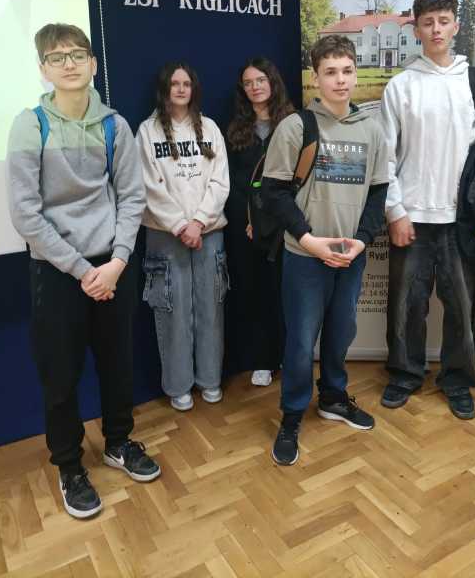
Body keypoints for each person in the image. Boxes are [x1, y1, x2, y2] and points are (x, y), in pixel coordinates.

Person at [6, 23, 160, 520]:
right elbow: (26, 214)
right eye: (57, 57)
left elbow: (132, 198)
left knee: (117, 363)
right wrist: (80, 270)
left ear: (93, 63)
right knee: (60, 374)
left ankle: (118, 442)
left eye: (77, 54)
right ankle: (70, 466)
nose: (69, 64)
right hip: (57, 272)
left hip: (112, 267)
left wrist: (116, 262)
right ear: (43, 69)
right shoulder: (30, 125)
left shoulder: (115, 125)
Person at [380, 0, 475, 420]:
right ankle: (405, 373)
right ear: (416, 29)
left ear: (456, 25)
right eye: (428, 22)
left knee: (460, 305)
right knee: (406, 303)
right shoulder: (401, 86)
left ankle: (458, 379)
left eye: (443, 21)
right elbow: (385, 156)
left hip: (465, 218)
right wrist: (395, 212)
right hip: (412, 216)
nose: (436, 29)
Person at [262, 35, 389, 466]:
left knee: (340, 333)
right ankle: (292, 414)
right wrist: (310, 240)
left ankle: (333, 397)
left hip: (350, 255)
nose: (340, 80)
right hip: (305, 256)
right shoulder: (295, 127)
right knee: (301, 342)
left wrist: (362, 240)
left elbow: (378, 193)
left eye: (347, 70)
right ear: (315, 78)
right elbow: (274, 193)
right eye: (330, 72)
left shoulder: (372, 129)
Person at [137, 62, 230, 412]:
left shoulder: (210, 128)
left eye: (186, 83)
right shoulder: (147, 132)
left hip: (209, 232)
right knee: (172, 310)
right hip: (166, 235)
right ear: (164, 88)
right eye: (174, 83)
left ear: (193, 89)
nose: (180, 89)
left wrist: (199, 222)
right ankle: (178, 385)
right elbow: (148, 185)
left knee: (211, 307)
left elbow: (220, 181)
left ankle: (210, 379)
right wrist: (180, 225)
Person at [224, 57, 294, 386]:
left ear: (272, 82)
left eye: (260, 80)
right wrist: (250, 219)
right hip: (248, 228)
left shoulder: (293, 123)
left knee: (286, 293)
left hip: (285, 226)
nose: (255, 87)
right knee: (254, 292)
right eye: (248, 82)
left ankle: (288, 355)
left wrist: (277, 220)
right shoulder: (236, 129)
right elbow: (234, 182)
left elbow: (299, 179)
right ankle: (262, 360)